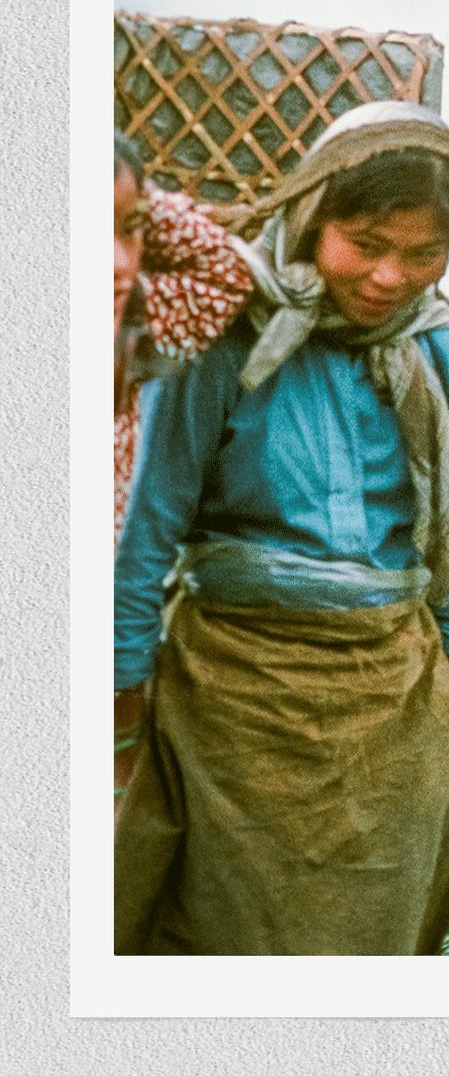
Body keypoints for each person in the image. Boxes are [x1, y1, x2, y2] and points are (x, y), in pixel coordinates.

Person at [113, 102, 449, 954]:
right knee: (223, 933)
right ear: (313, 215)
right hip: (231, 694)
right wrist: (122, 687)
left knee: (369, 942)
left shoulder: (448, 354)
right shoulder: (228, 337)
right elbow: (151, 519)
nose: (391, 277)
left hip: (393, 701)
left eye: (423, 254)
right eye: (366, 242)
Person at [111, 133, 255, 814]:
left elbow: (225, 274)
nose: (116, 264)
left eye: (130, 233)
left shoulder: (139, 321)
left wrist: (130, 193)